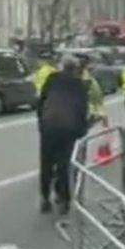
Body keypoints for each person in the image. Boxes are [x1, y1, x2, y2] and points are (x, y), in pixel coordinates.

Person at [37, 56, 89, 215]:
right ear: (75, 69)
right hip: (68, 127)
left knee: (46, 162)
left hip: (49, 124)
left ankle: (45, 198)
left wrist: (41, 122)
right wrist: (82, 130)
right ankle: (63, 198)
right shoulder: (79, 84)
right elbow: (81, 109)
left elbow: (41, 101)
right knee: (64, 164)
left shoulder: (52, 79)